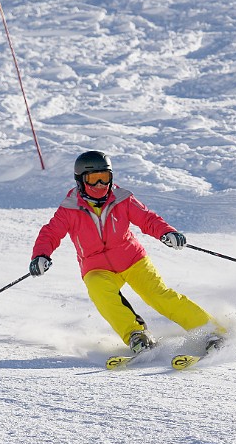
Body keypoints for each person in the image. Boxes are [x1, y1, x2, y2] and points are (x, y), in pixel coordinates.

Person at [29, 150, 224, 354]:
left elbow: (147, 219)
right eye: (93, 180)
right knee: (101, 293)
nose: (100, 186)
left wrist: (167, 232)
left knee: (158, 295)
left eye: (104, 178)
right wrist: (41, 255)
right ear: (80, 181)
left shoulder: (122, 199)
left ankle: (209, 330)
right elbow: (50, 233)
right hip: (96, 268)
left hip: (133, 260)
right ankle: (136, 335)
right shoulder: (70, 208)